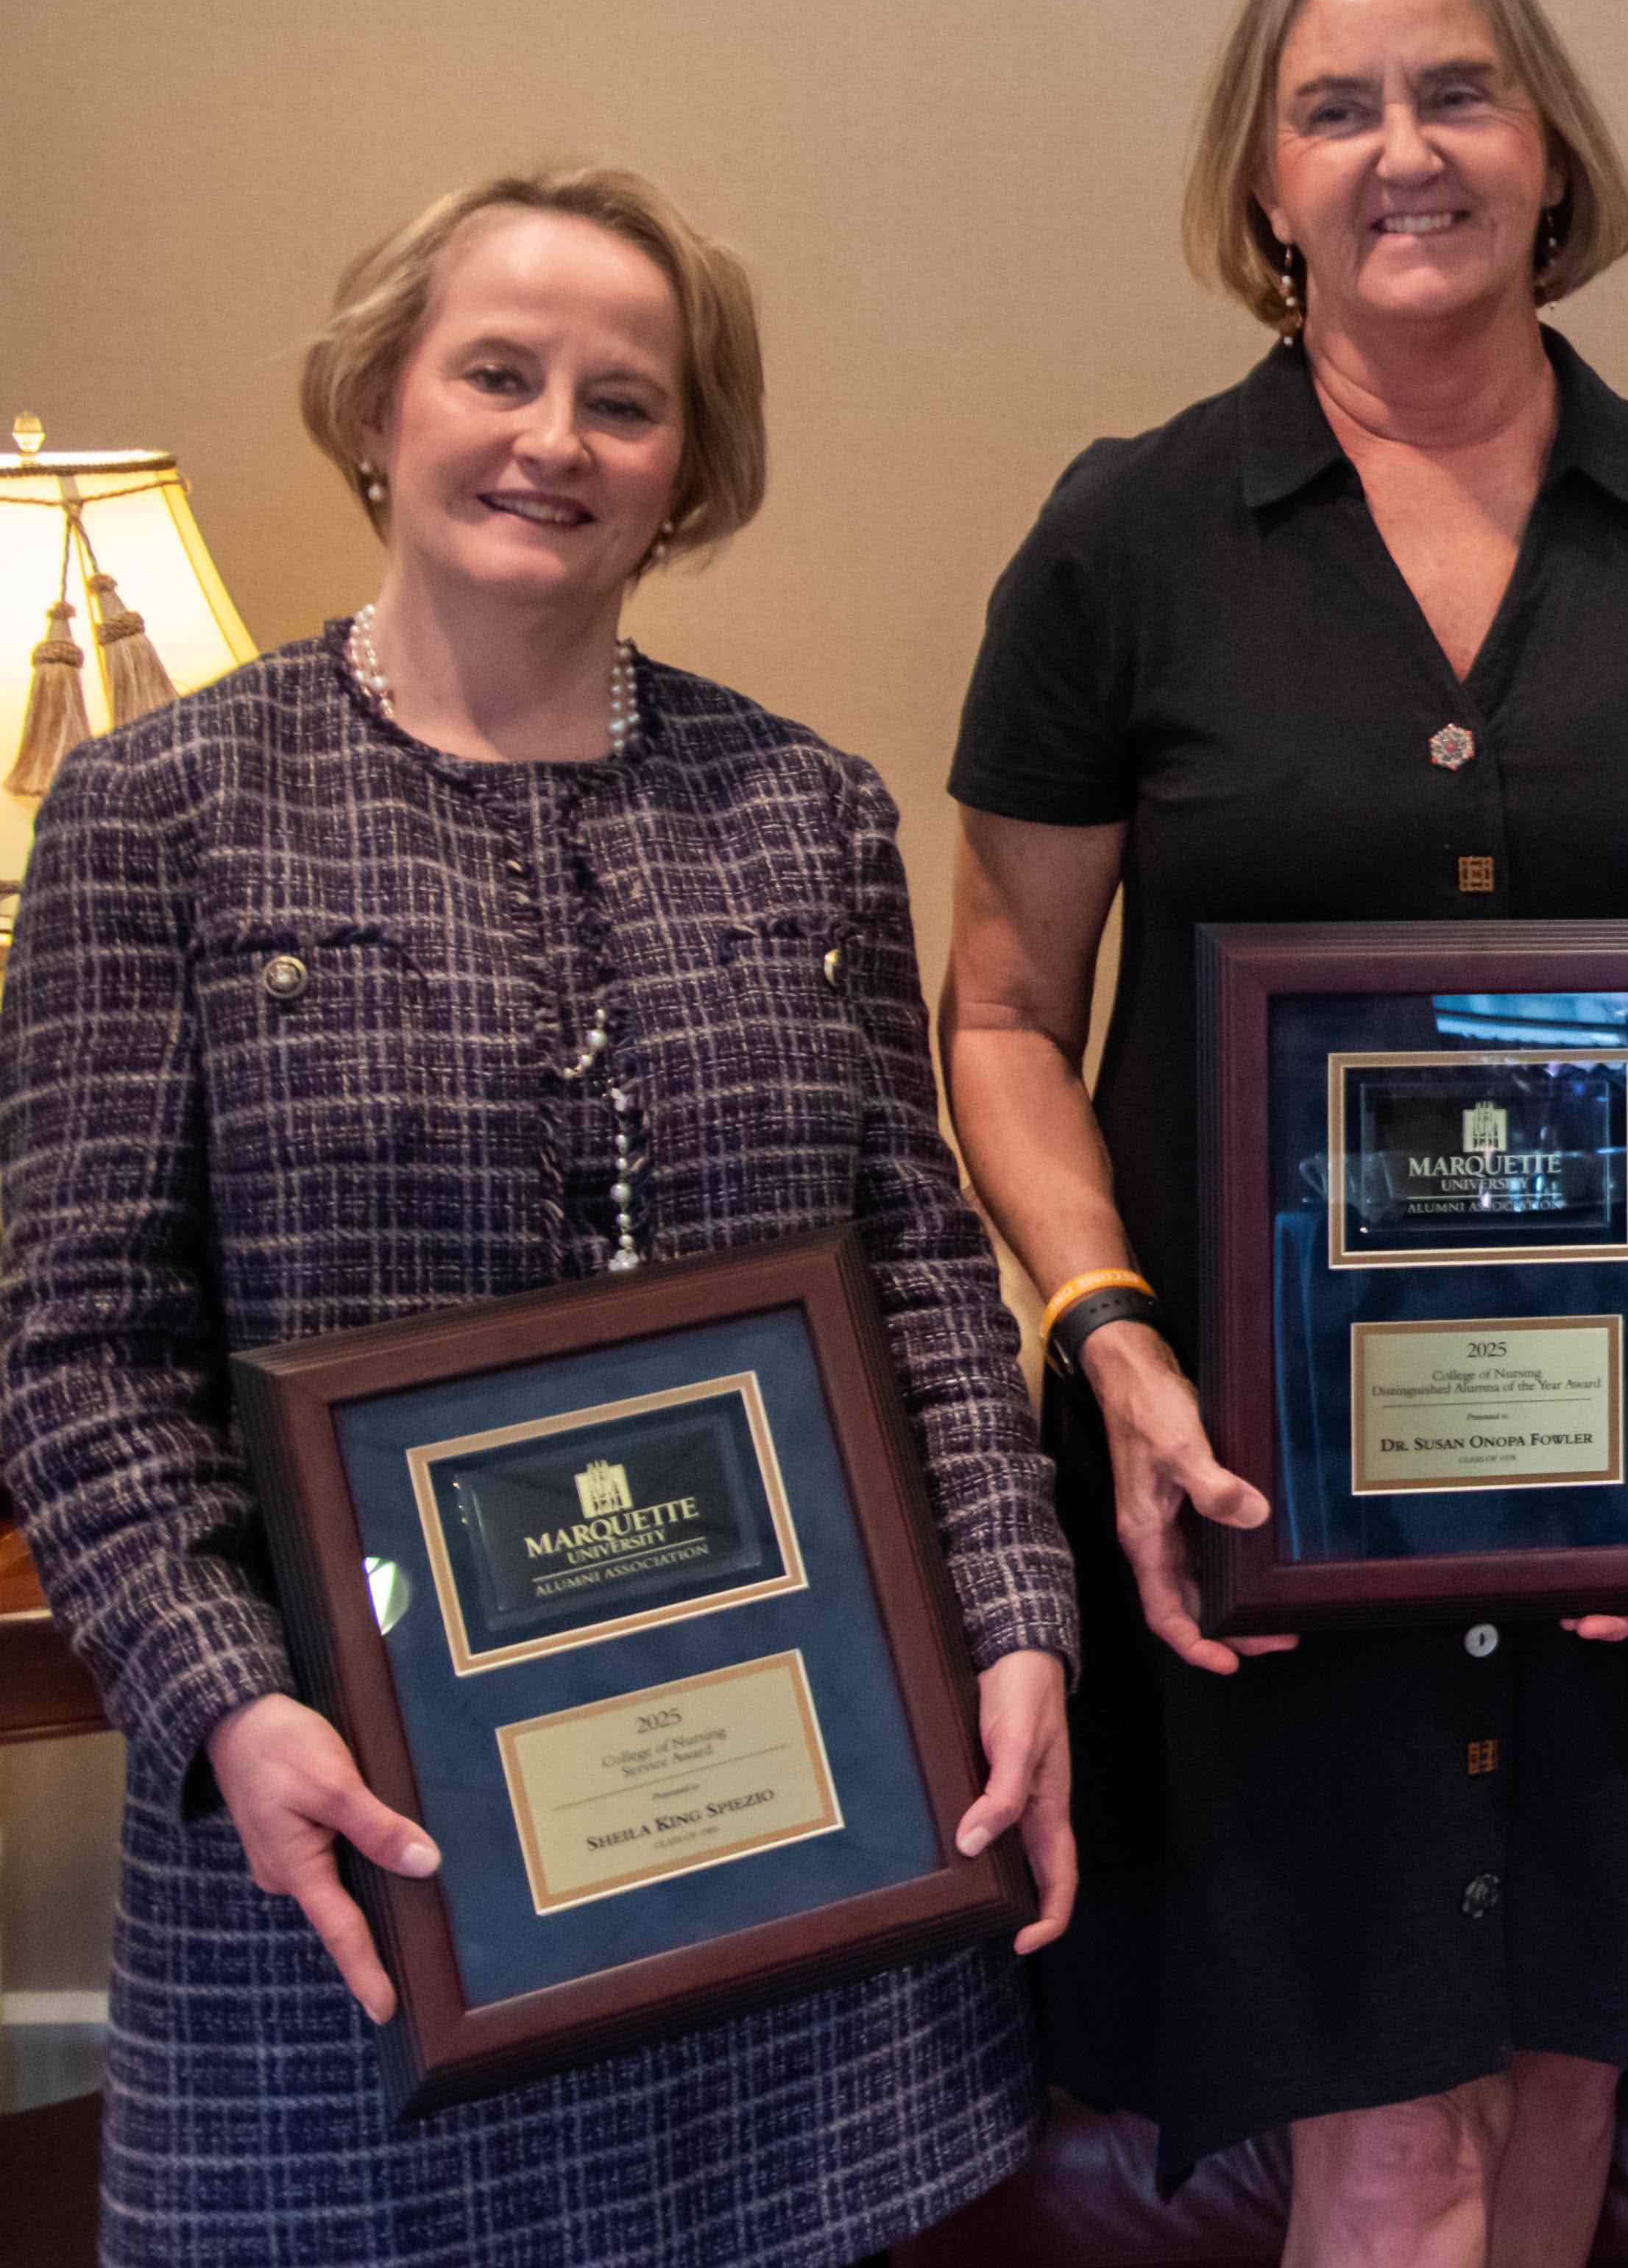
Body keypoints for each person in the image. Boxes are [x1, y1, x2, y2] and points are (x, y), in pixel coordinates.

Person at [940, 0, 1628, 2263]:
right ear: (1259, 182)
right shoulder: (1129, 544)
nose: (1408, 149)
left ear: (1549, 148)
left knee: (1575, 2064)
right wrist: (1110, 1333)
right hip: (1275, 1490)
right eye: (1336, 106)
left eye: (1458, 89)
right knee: (1389, 2134)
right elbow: (995, 1020)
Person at [0, 168, 1077, 2267]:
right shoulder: (161, 815)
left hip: (791, 1901)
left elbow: (925, 1279)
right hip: (349, 1903)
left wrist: (1013, 1620)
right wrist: (228, 1697)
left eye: (626, 402)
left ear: (690, 471)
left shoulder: (806, 809)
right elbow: (75, 1349)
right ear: (377, 403)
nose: (553, 441)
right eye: (498, 374)